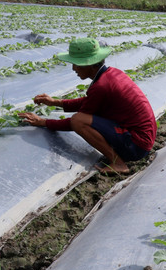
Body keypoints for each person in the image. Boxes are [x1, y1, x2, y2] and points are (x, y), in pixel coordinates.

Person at [19, 38, 157, 174]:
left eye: (76, 64)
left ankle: (118, 163)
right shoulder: (112, 74)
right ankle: (118, 159)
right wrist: (55, 102)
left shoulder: (101, 86)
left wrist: (43, 122)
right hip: (142, 140)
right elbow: (89, 102)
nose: (73, 68)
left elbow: (76, 122)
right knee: (82, 119)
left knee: (78, 120)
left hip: (136, 145)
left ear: (88, 64)